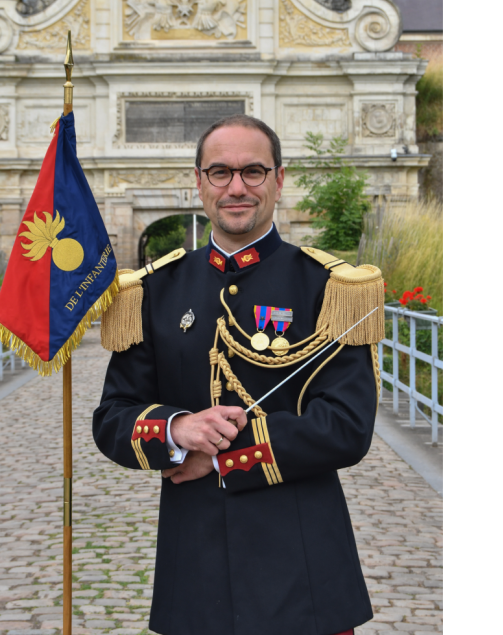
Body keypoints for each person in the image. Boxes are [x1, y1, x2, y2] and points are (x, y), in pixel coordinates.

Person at [93, 115, 382, 635]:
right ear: (199, 181)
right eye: (220, 172)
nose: (237, 188)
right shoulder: (154, 291)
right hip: (194, 572)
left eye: (253, 171)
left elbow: (347, 425)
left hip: (305, 571)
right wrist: (178, 431)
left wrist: (221, 452)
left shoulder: (331, 288)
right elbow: (112, 417)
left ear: (279, 179)